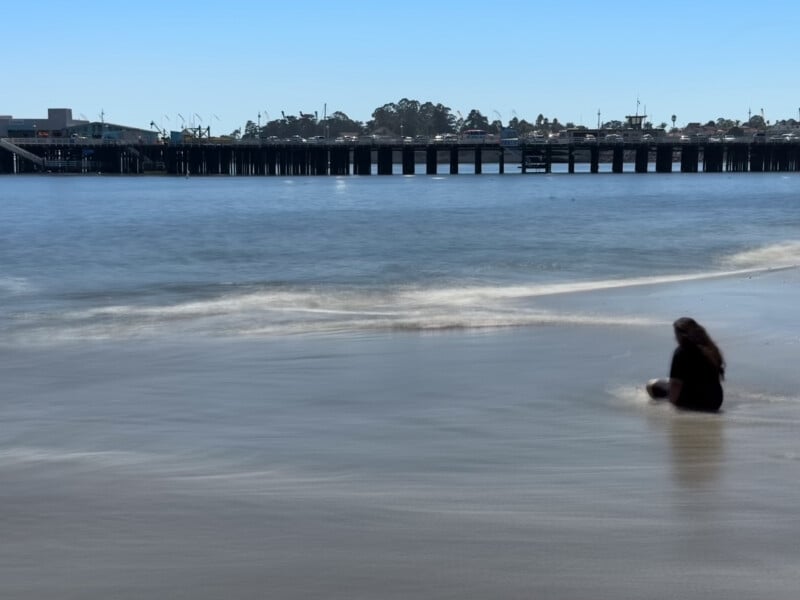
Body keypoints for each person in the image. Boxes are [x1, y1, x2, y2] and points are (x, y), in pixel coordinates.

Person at [646, 317, 725, 412]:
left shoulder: (681, 352)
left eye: (675, 334)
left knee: (651, 384)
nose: (675, 338)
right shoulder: (711, 348)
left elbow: (676, 384)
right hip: (715, 401)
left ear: (680, 335)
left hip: (692, 401)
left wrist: (671, 407)